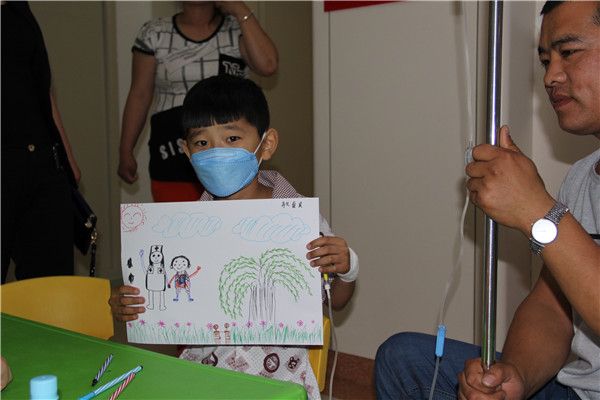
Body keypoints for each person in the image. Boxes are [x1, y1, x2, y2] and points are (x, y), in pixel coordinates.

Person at [375, 2, 600, 399]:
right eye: (545, 60)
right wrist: (516, 376)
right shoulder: (582, 178)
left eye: (568, 52)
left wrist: (537, 211)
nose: (550, 76)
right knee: (403, 358)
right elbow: (551, 309)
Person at [110, 75, 359, 399]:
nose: (217, 152)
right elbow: (165, 313)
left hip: (281, 384)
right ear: (187, 152)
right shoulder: (180, 232)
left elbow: (336, 300)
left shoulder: (299, 221)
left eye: (231, 138)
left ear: (266, 144)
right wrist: (131, 305)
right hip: (201, 380)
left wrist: (347, 268)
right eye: (202, 143)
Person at [118, 1, 278, 202]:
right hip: (171, 151)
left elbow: (268, 65)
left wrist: (239, 9)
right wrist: (126, 149)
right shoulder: (154, 32)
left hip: (231, 160)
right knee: (178, 220)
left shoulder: (237, 28)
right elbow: (139, 94)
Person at [1, 1, 80, 283]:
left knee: (52, 284)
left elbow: (42, 90)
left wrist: (67, 159)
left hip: (43, 161)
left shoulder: (17, 9)